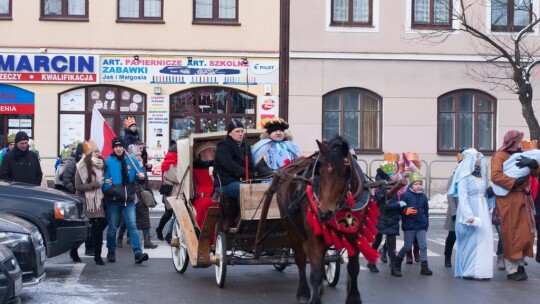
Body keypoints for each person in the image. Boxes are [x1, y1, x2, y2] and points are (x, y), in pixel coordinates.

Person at [491, 130, 539, 281]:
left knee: (525, 233)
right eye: (518, 140)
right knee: (512, 233)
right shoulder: (500, 155)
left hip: (523, 197)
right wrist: (513, 183)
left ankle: (520, 263)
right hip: (508, 198)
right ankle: (513, 269)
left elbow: (535, 173)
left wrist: (533, 164)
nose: (521, 143)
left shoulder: (524, 153)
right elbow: (495, 175)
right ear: (512, 141)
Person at [448, 148, 494, 280]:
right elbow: (462, 197)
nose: (480, 160)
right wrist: (469, 216)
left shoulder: (483, 175)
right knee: (472, 240)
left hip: (483, 208)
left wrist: (492, 194)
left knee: (485, 238)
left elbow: (485, 193)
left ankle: (483, 271)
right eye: (477, 158)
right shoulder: (463, 176)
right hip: (470, 209)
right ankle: (469, 270)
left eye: (480, 158)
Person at [102, 136, 149, 264]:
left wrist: (141, 177)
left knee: (132, 226)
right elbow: (104, 183)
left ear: (124, 147)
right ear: (113, 148)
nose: (118, 149)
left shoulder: (131, 160)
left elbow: (141, 176)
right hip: (114, 201)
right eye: (116, 146)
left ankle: (137, 253)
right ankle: (111, 251)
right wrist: (113, 192)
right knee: (112, 227)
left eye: (120, 146)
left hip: (129, 201)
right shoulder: (108, 162)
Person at [213, 119, 272, 202]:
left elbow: (250, 165)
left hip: (244, 180)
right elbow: (229, 164)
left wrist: (258, 174)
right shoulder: (223, 145)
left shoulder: (246, 146)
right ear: (230, 133)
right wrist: (246, 173)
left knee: (263, 187)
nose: (240, 134)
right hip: (225, 182)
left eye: (242, 131)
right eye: (237, 131)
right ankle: (244, 214)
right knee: (243, 189)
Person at [368, 155, 408, 276]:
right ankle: (371, 261)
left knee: (391, 243)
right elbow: (384, 205)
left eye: (395, 172)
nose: (396, 175)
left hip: (392, 219)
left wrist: (402, 209)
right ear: (386, 175)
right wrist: (399, 205)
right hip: (381, 218)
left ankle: (394, 266)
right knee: (377, 240)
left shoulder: (393, 185)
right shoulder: (380, 188)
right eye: (393, 173)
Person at [74, 140, 108, 265]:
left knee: (98, 230)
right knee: (84, 230)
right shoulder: (81, 166)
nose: (98, 154)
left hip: (98, 201)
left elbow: (104, 180)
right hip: (86, 201)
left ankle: (98, 256)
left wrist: (106, 183)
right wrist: (96, 184)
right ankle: (74, 251)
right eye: (95, 152)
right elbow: (78, 187)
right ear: (89, 154)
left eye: (98, 151)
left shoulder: (101, 165)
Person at [394, 171, 432, 276]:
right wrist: (405, 211)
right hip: (409, 225)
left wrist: (426, 223)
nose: (418, 186)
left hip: (421, 225)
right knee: (407, 246)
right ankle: (397, 262)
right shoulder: (405, 195)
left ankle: (424, 267)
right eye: (416, 184)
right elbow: (400, 209)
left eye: (420, 184)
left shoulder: (423, 197)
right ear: (411, 185)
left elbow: (426, 211)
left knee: (423, 245)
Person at [128, 144, 158, 249]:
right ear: (131, 157)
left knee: (145, 219)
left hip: (143, 197)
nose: (139, 157)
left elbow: (147, 183)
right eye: (136, 155)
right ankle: (128, 239)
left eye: (139, 155)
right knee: (131, 221)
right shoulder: (129, 167)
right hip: (133, 198)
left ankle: (147, 241)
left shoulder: (141, 167)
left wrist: (151, 196)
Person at [156, 144, 180, 243]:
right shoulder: (169, 165)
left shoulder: (173, 163)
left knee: (170, 214)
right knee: (174, 215)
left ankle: (161, 230)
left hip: (175, 192)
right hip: (172, 193)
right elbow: (177, 178)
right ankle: (168, 234)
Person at [443, 151, 462, 268]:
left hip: (466, 211)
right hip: (454, 210)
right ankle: (447, 256)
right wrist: (454, 212)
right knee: (452, 235)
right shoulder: (454, 177)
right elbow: (450, 196)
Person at [193, 141, 217, 228]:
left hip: (218, 192)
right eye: (209, 150)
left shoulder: (218, 166)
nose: (212, 152)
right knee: (206, 203)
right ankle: (205, 231)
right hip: (201, 195)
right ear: (201, 153)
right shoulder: (193, 168)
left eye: (214, 151)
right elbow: (193, 186)